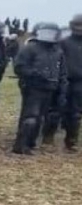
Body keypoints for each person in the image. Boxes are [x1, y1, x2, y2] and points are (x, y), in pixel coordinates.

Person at [12, 22, 67, 155]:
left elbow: (62, 73)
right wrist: (35, 73)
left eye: (51, 33)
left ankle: (31, 143)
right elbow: (19, 67)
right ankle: (20, 145)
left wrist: (62, 89)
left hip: (50, 89)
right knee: (31, 117)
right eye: (46, 33)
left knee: (40, 118)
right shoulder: (30, 48)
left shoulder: (58, 51)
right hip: (33, 88)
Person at [53, 14, 82, 153]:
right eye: (77, 25)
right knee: (59, 109)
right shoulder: (64, 42)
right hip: (64, 81)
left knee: (75, 113)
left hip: (80, 83)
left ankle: (71, 141)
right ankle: (49, 134)